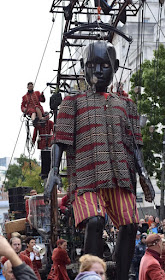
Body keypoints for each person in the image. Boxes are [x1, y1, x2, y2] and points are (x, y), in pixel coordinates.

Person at [44, 41, 155, 280]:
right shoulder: (71, 104)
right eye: (92, 65)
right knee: (94, 221)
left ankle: (122, 276)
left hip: (120, 177)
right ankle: (89, 276)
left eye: (104, 66)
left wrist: (144, 173)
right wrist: (54, 170)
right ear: (84, 67)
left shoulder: (127, 106)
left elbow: (136, 145)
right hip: (86, 179)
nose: (97, 71)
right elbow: (60, 140)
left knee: (131, 224)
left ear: (114, 67)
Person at [32, 112, 54, 180]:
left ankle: (49, 171)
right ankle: (44, 172)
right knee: (44, 158)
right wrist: (33, 141)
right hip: (42, 143)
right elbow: (35, 133)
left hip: (49, 143)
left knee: (49, 158)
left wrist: (53, 139)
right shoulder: (39, 124)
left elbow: (54, 131)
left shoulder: (50, 123)